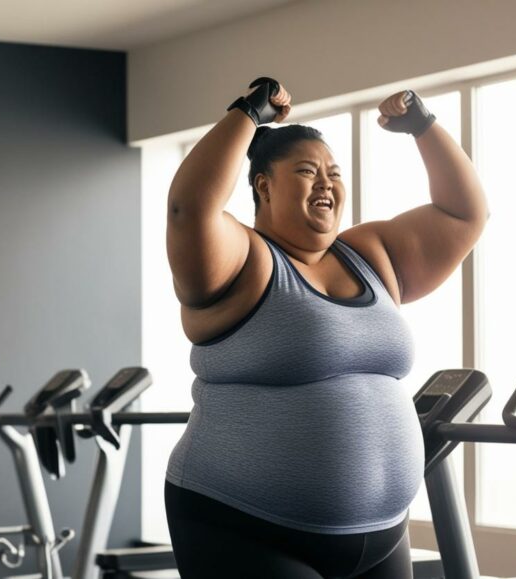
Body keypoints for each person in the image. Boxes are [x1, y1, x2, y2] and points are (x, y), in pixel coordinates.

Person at [164, 78, 488, 578]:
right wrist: (248, 113)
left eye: (334, 173)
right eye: (307, 171)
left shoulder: (372, 255)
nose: (326, 183)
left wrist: (423, 127)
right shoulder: (243, 260)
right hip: (244, 525)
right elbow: (190, 209)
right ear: (264, 185)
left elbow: (464, 213)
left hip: (382, 532)